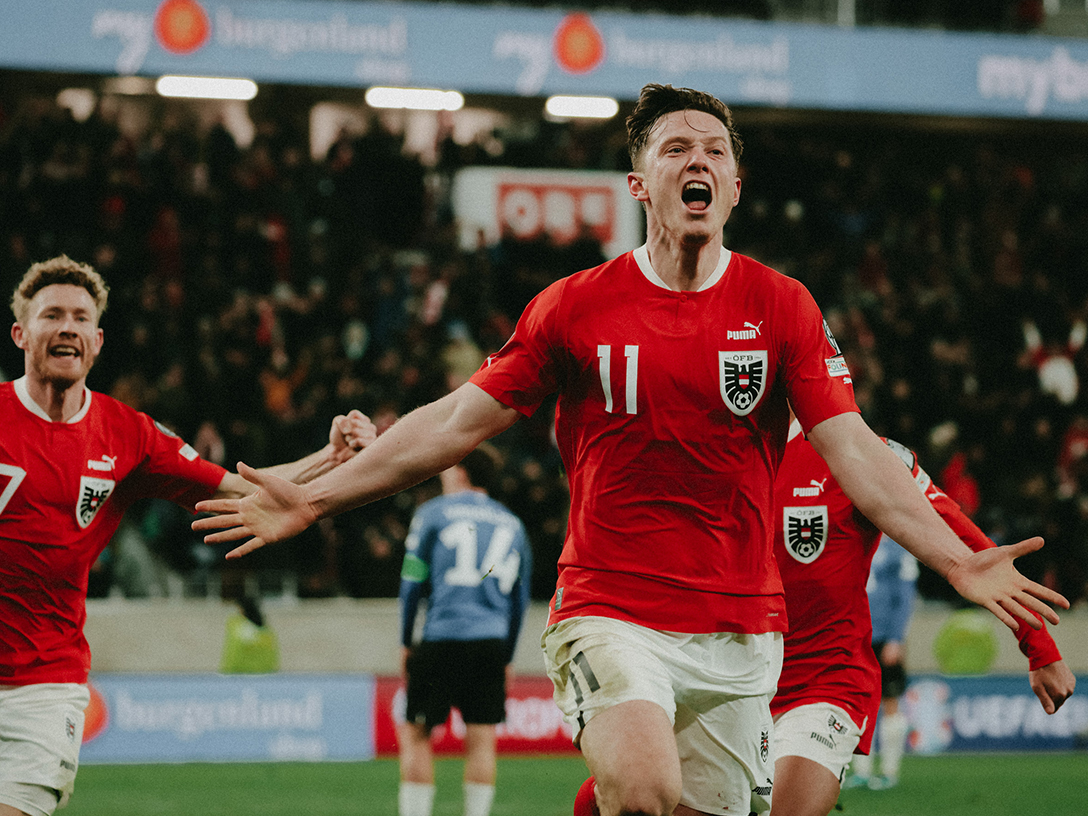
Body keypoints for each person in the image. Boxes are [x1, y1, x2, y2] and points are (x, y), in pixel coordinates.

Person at [194, 84, 1068, 816]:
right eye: (676, 147)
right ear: (639, 182)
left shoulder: (783, 307)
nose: (698, 161)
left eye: (715, 151)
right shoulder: (576, 306)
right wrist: (319, 494)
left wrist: (958, 562)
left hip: (742, 629)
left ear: (734, 186)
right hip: (611, 608)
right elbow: (455, 425)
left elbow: (862, 458)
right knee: (647, 793)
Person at [0, 255, 376, 816]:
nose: (67, 328)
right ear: (20, 334)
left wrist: (331, 457)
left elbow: (242, 492)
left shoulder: (128, 434)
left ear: (97, 341)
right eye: (51, 315)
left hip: (42, 686)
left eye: (80, 317)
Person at [768, 418, 1075, 816]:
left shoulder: (866, 454)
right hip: (720, 674)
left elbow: (967, 547)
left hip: (820, 681)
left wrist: (1041, 647)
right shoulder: (706, 451)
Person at [396, 443, 532, 816]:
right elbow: (519, 602)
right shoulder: (513, 524)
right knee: (482, 739)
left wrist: (406, 641)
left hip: (441, 636)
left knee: (417, 736)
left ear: (460, 472)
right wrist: (507, 656)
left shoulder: (431, 515)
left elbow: (412, 584)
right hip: (490, 642)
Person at [843, 532, 917, 791]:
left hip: (885, 637)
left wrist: (897, 637)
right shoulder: (854, 539)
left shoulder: (898, 548)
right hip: (855, 635)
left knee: (890, 702)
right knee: (857, 704)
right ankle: (862, 771)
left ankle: (889, 771)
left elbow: (905, 597)